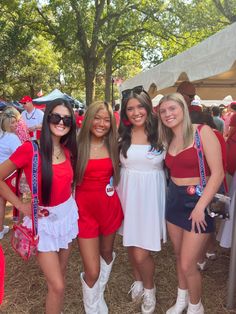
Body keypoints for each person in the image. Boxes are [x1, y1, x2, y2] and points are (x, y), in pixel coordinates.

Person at [0, 98, 78, 314]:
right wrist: (20, 205)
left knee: (60, 276)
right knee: (58, 285)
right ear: (47, 119)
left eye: (66, 119)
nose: (61, 122)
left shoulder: (69, 149)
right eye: (56, 117)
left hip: (67, 217)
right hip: (43, 223)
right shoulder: (29, 149)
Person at [158, 93, 224, 314]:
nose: (168, 114)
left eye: (172, 109)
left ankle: (196, 307)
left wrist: (199, 207)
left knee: (188, 264)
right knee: (179, 256)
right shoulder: (168, 139)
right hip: (174, 200)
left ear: (183, 109)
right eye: (163, 111)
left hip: (197, 201)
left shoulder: (202, 132)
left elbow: (218, 174)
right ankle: (181, 300)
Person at [118, 86, 166, 314]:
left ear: (148, 107)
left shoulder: (163, 132)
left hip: (150, 197)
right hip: (127, 193)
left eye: (139, 107)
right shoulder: (121, 136)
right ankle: (138, 279)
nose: (136, 112)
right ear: (125, 113)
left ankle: (150, 288)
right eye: (130, 109)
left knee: (141, 251)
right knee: (130, 241)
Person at [75, 101, 123, 314]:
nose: (102, 123)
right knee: (92, 270)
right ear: (88, 118)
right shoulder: (75, 145)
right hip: (84, 213)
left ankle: (99, 293)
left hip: (109, 208)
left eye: (107, 120)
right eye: (97, 118)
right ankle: (91, 306)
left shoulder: (115, 145)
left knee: (107, 253)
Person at [0, 108, 21, 239]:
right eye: (13, 122)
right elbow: (21, 156)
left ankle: (1, 229)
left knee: (1, 202)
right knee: (18, 201)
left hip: (1, 173)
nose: (15, 125)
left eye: (16, 122)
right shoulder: (12, 138)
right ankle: (18, 229)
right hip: (11, 174)